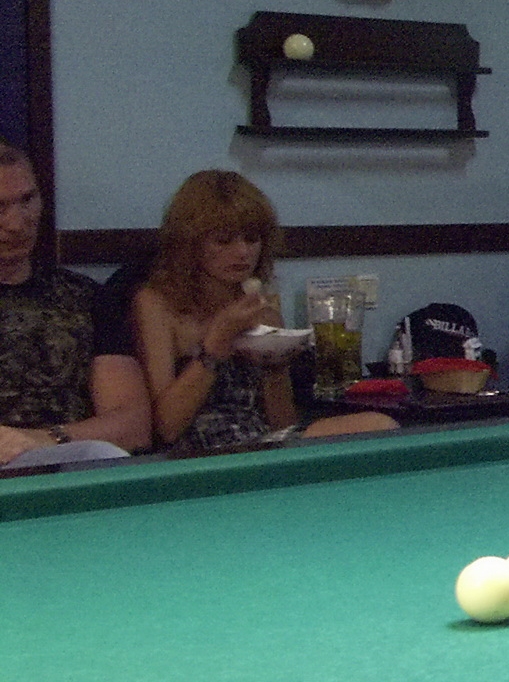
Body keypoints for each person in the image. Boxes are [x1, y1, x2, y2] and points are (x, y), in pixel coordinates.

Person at [133, 171, 395, 453]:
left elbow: (282, 424)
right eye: (224, 241)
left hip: (259, 442)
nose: (242, 252)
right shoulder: (158, 304)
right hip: (199, 450)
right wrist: (218, 342)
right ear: (190, 244)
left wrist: (276, 369)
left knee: (379, 424)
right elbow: (167, 428)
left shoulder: (263, 312)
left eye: (252, 239)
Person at [0, 141, 151, 468]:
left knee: (102, 454)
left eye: (27, 200)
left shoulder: (85, 297)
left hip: (69, 460)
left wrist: (42, 439)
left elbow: (133, 426)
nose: (17, 223)